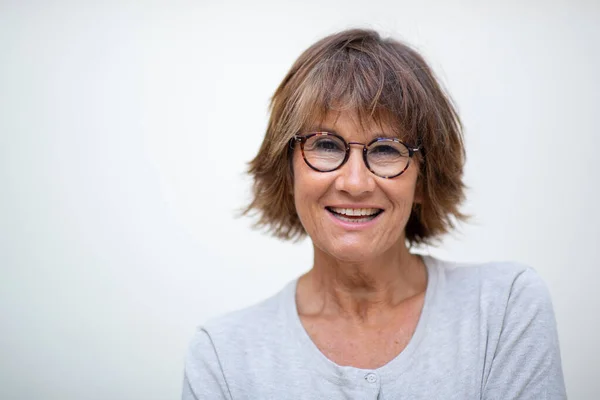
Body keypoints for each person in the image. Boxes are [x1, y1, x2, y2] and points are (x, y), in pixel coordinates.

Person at [182, 29, 566, 399]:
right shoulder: (223, 356)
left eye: (386, 150)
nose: (354, 182)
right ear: (288, 170)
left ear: (423, 178)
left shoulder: (503, 309)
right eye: (326, 145)